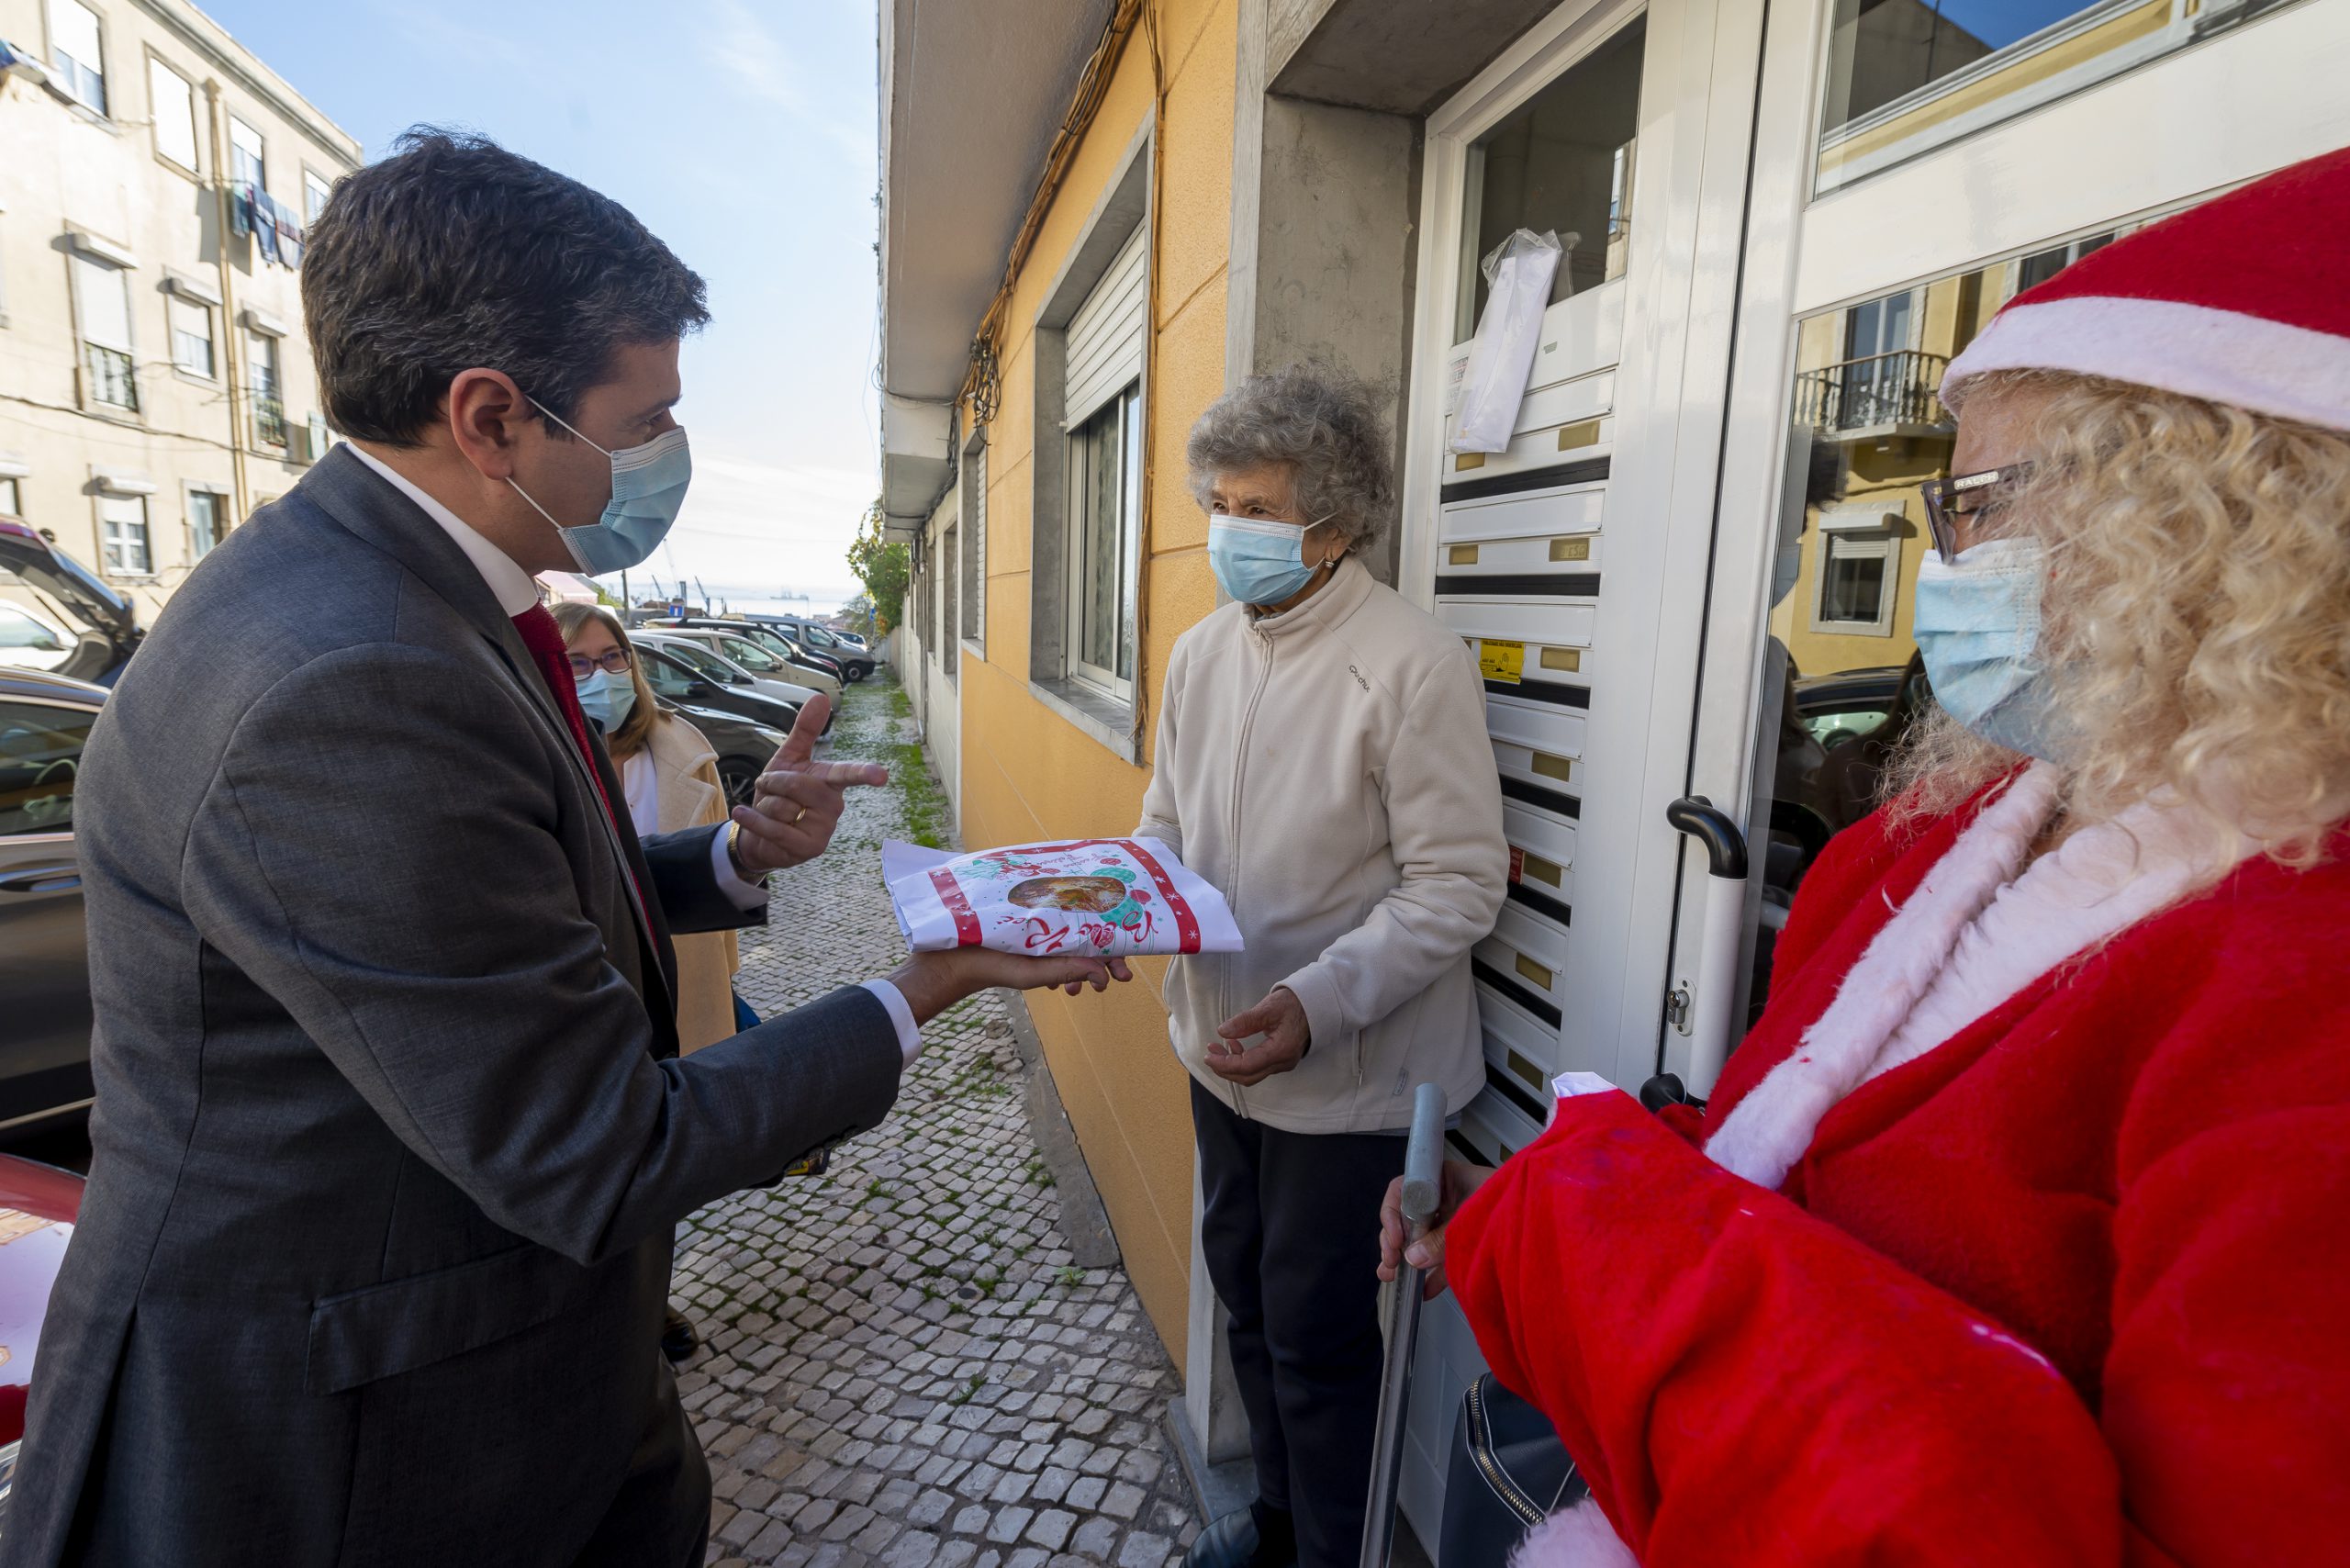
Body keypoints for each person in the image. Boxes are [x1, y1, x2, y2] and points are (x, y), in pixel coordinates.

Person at [1, 130, 1123, 1568]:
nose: (664, 455)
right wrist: (927, 986)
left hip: (501, 1373)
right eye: (642, 417)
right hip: (363, 1446)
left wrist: (726, 862)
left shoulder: (398, 592)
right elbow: (593, 1145)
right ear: (490, 417)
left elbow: (480, 904)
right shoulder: (348, 675)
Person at [1380, 148, 2350, 1566]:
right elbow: (1762, 1179)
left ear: (2204, 516)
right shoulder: (1940, 839)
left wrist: (1585, 1241)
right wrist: (1516, 1213)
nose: (1945, 560)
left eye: (1978, 506)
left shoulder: (2303, 993)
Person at [1136, 365, 1508, 1568]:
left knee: (1320, 1343)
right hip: (1220, 1054)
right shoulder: (1200, 656)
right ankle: (1281, 1527)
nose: (1228, 530)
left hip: (1348, 1080)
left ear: (1336, 527)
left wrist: (1315, 1001)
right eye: (1221, 501)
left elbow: (1460, 882)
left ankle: (1332, 1553)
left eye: (1258, 509)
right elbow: (1164, 831)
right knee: (1246, 1300)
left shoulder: (1412, 662)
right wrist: (1114, 916)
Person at [555, 599, 735, 1366]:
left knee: (664, 1151)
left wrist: (721, 981)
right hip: (582, 995)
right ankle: (600, 1307)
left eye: (614, 657)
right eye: (581, 663)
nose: (604, 675)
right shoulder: (542, 749)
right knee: (590, 1155)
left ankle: (651, 1296)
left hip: (672, 983)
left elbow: (717, 878)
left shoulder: (681, 747)